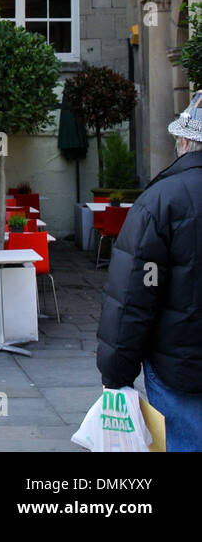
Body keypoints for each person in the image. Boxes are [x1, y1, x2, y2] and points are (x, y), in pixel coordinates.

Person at [97, 89, 202, 451]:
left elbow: (132, 294)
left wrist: (116, 373)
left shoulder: (162, 199)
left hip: (181, 366)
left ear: (186, 142)